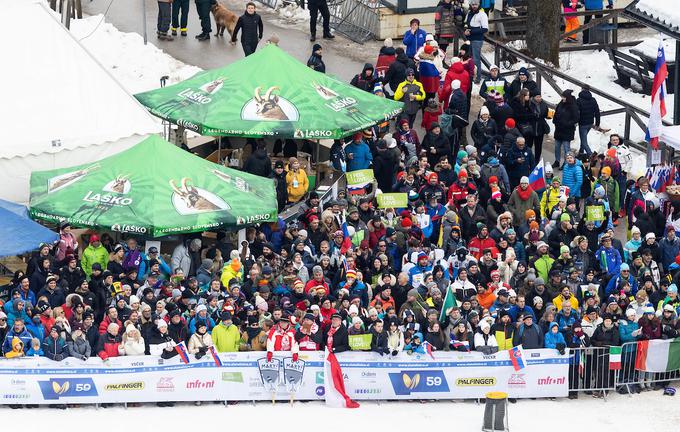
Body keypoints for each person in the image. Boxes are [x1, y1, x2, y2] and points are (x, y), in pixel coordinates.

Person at [552, 90, 579, 169]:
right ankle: (557, 161)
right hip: (559, 129)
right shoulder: (561, 104)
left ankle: (566, 163)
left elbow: (576, 118)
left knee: (566, 148)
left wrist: (567, 123)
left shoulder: (573, 106)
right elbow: (556, 113)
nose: (562, 98)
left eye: (564, 97)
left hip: (567, 130)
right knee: (557, 147)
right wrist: (555, 121)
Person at [464, 0, 488, 83]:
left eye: (476, 4)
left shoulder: (482, 14)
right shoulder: (469, 13)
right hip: (469, 39)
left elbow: (485, 29)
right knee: (468, 58)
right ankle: (470, 75)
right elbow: (466, 23)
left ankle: (478, 77)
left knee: (476, 59)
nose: (474, 6)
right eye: (472, 4)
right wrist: (465, 29)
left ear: (479, 5)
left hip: (477, 39)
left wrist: (471, 31)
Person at [576, 87, 600, 156]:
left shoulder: (579, 100)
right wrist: (597, 123)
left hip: (582, 123)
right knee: (583, 138)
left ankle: (591, 156)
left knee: (584, 142)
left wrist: (575, 121)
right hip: (590, 122)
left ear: (582, 90)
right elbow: (597, 112)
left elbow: (577, 113)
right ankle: (581, 152)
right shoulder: (593, 100)